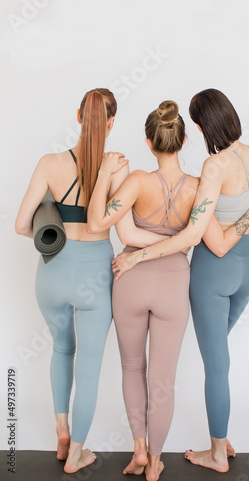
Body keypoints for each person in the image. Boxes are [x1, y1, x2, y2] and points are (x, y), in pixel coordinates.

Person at [87, 99, 249, 481]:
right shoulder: (201, 187)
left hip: (129, 280)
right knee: (163, 380)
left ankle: (138, 450)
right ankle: (154, 463)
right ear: (185, 141)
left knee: (132, 367)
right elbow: (204, 236)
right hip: (174, 283)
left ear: (149, 143)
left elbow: (101, 223)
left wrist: (105, 174)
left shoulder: (136, 180)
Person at [15, 88, 128, 473]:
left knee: (62, 350)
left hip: (53, 272)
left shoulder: (49, 163)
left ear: (79, 116)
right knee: (90, 364)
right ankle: (78, 452)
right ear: (111, 122)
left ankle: (61, 432)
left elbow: (20, 225)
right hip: (96, 273)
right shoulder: (117, 167)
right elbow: (125, 233)